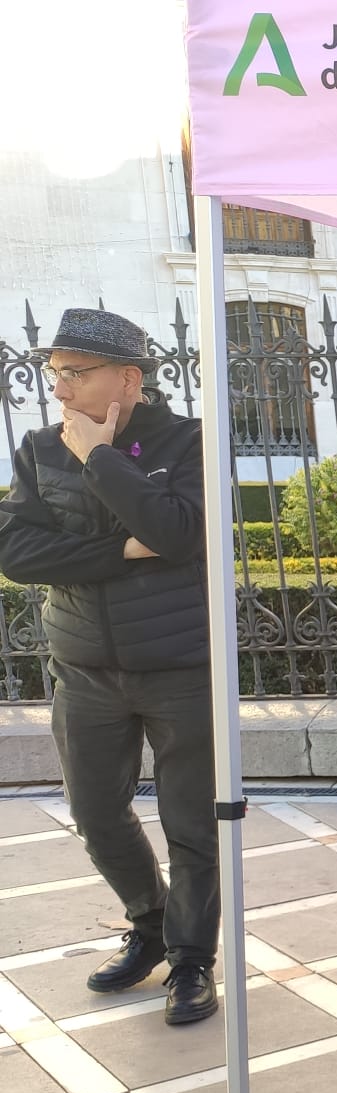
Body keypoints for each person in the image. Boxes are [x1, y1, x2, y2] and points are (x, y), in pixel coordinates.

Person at [0, 309, 217, 1026]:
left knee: (193, 825)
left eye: (74, 373)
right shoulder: (38, 449)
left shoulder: (187, 442)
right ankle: (148, 922)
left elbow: (179, 535)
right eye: (54, 373)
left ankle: (190, 962)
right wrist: (122, 552)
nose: (58, 390)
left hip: (181, 667)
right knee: (95, 812)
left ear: (129, 378)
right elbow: (17, 554)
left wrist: (100, 461)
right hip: (84, 669)